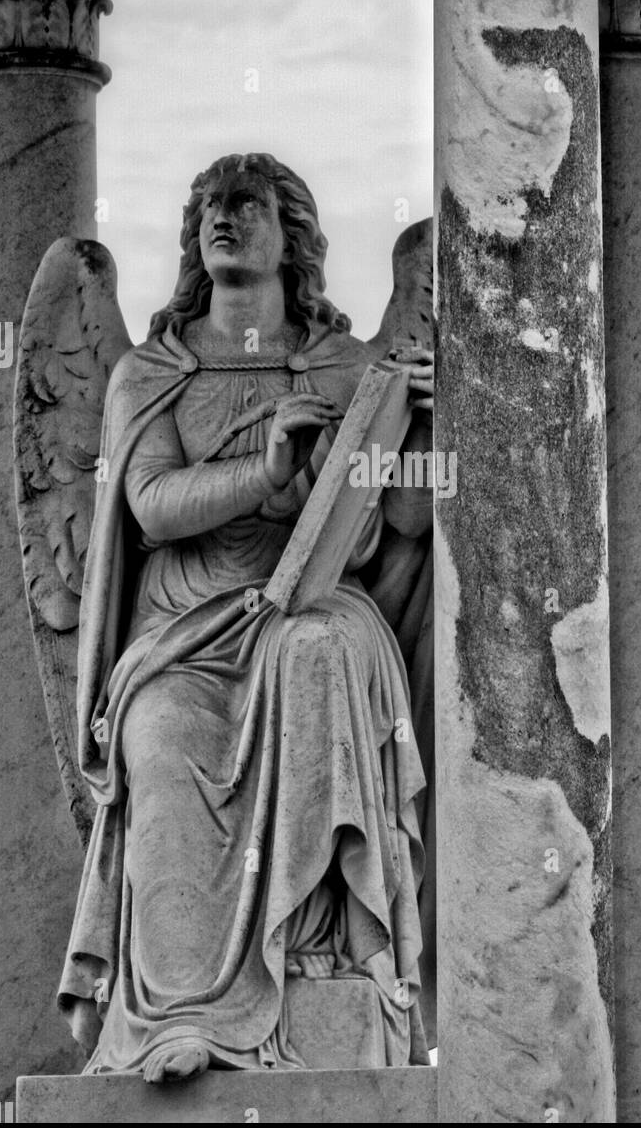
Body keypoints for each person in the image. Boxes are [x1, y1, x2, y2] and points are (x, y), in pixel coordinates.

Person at [58, 153, 433, 1081]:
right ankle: (180, 1014)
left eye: (246, 204)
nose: (222, 218)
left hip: (310, 609)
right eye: (208, 207)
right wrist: (263, 473)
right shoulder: (152, 372)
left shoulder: (351, 367)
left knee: (317, 656)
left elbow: (406, 531)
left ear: (290, 234)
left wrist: (419, 430)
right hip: (184, 633)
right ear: (192, 236)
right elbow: (147, 507)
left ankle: (321, 957)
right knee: (160, 733)